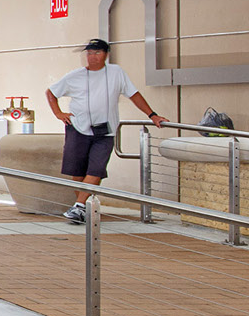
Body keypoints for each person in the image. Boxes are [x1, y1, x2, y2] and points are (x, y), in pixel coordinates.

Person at [46, 38, 168, 224]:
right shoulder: (75, 76)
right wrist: (58, 113)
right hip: (78, 128)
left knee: (96, 168)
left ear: (106, 54)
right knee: (78, 173)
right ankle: (83, 209)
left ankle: (78, 206)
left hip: (105, 131)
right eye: (89, 53)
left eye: (97, 52)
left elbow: (134, 94)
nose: (92, 57)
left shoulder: (116, 72)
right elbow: (51, 93)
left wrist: (152, 115)